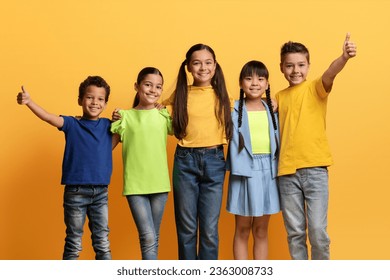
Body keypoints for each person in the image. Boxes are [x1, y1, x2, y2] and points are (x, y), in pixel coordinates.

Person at [16, 76, 119, 260]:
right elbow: (49, 117)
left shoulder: (108, 126)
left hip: (101, 192)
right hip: (76, 192)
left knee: (102, 243)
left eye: (100, 99)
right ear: (80, 100)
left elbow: (112, 143)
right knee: (74, 242)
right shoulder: (72, 124)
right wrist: (29, 102)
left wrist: (121, 118)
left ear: (105, 103)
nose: (95, 102)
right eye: (89, 97)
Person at [276, 33, 357, 260]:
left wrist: (344, 58)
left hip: (315, 170)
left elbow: (330, 73)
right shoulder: (278, 97)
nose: (295, 70)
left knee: (318, 232)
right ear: (281, 67)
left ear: (309, 66)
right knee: (295, 233)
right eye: (289, 66)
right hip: (286, 173)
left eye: (301, 65)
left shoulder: (316, 88)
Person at [161, 43, 233, 260]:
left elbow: (251, 106)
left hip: (214, 161)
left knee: (210, 230)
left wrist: (272, 102)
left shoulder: (224, 97)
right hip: (185, 161)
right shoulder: (180, 95)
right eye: (197, 63)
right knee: (187, 229)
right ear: (189, 67)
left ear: (215, 65)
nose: (203, 67)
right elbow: (152, 110)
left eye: (208, 62)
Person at [111, 67, 172, 260]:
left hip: (160, 184)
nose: (153, 90)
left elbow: (182, 129)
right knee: (147, 236)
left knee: (154, 236)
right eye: (148, 85)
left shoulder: (163, 115)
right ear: (137, 86)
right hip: (135, 185)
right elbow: (105, 148)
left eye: (158, 87)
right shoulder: (124, 117)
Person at [226, 60, 280, 260]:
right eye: (248, 78)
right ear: (241, 83)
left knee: (261, 230)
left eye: (260, 78)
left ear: (267, 83)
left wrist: (278, 104)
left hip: (269, 171)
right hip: (244, 171)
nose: (255, 83)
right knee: (242, 229)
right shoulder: (233, 109)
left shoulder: (273, 109)